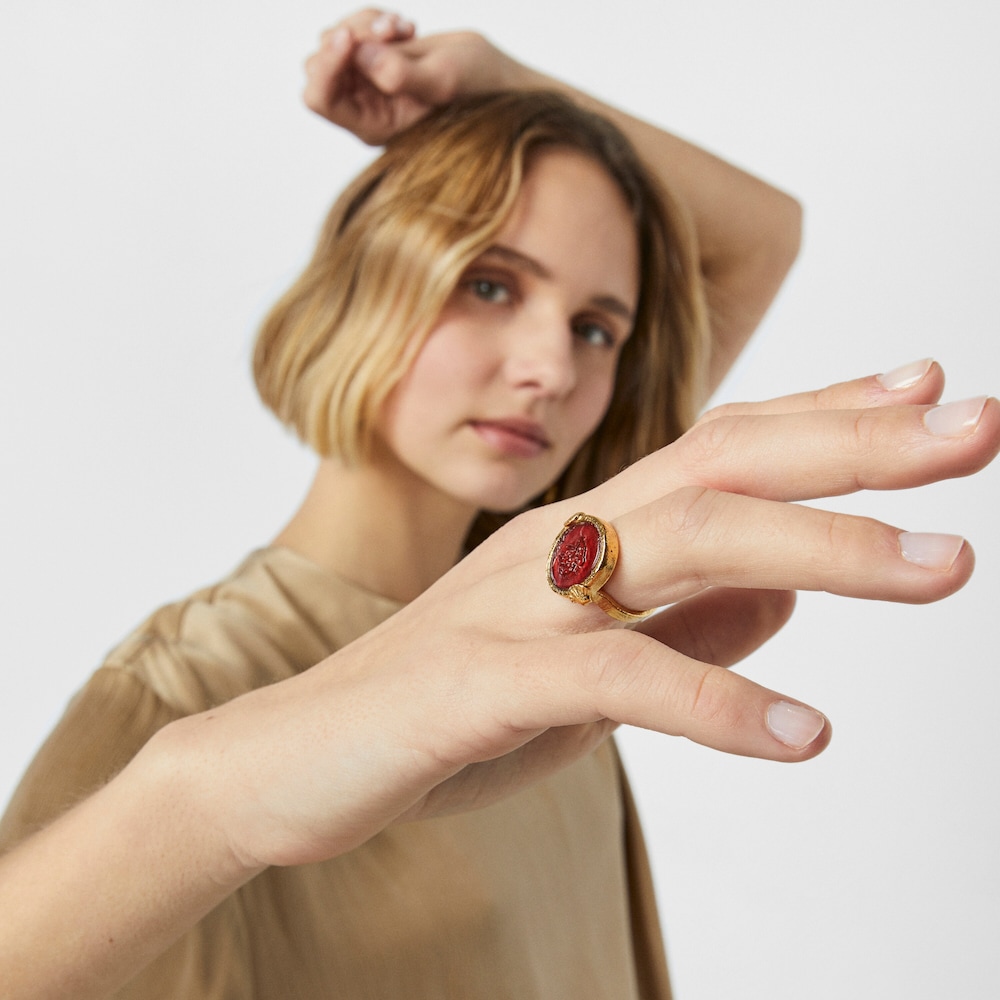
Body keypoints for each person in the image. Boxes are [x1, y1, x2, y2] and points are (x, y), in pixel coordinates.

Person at [1, 10, 998, 1000]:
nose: (552, 368)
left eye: (597, 328)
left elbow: (762, 235)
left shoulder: (560, 591)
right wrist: (203, 800)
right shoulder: (177, 695)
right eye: (489, 285)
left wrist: (499, 81)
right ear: (361, 284)